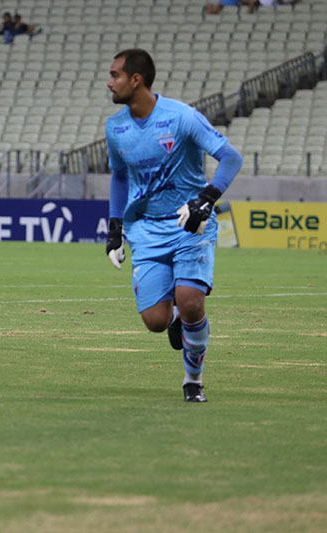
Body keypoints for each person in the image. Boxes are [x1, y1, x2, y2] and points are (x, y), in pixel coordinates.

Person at [104, 49, 243, 403]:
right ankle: (176, 315)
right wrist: (115, 228)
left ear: (136, 79)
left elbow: (231, 157)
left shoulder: (182, 117)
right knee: (155, 320)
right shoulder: (115, 127)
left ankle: (192, 380)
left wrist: (206, 198)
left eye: (115, 74)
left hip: (189, 223)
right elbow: (120, 177)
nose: (110, 82)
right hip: (145, 229)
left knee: (191, 301)